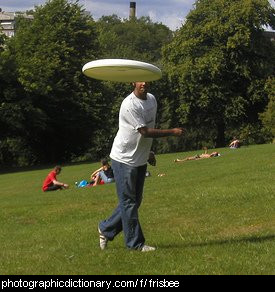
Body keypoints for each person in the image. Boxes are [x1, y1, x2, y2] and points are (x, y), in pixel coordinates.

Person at [98, 81, 184, 252]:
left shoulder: (152, 100)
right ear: (133, 82)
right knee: (129, 202)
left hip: (139, 158)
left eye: (146, 79)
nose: (144, 83)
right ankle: (135, 244)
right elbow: (144, 131)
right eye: (139, 79)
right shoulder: (129, 104)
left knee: (134, 201)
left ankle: (106, 229)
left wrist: (148, 152)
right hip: (124, 159)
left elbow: (146, 131)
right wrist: (172, 132)